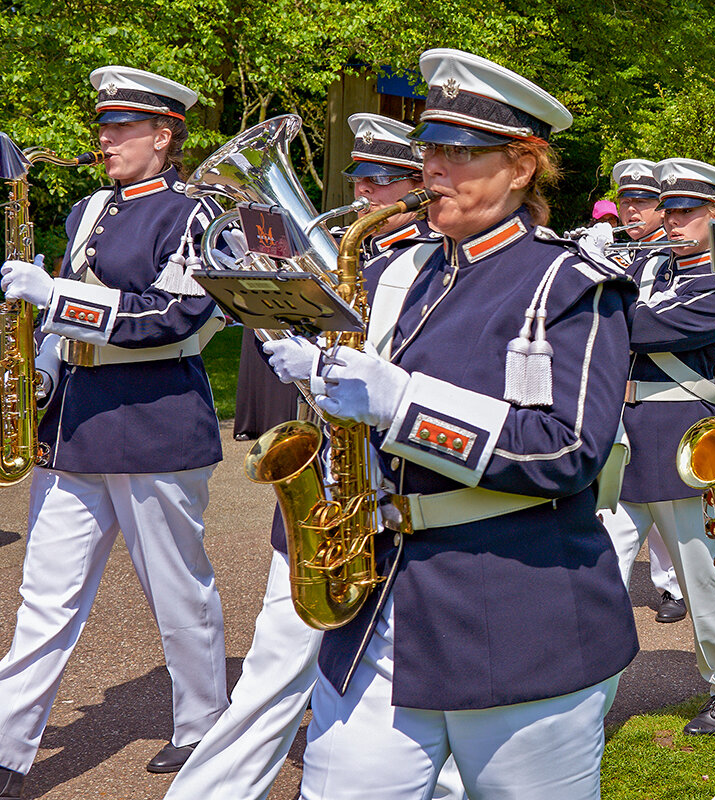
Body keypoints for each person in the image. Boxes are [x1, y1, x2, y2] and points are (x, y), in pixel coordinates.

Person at [265, 48, 639, 799]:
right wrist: (320, 374)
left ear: (521, 166)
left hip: (516, 610)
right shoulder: (397, 272)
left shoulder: (569, 284)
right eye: (429, 149)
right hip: (377, 604)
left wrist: (399, 404)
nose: (434, 169)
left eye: (460, 153)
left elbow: (565, 449)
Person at [162, 112, 441, 800]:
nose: (366, 193)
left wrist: (320, 364)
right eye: (361, 180)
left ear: (416, 185)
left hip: (408, 494)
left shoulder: (440, 266)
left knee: (412, 678)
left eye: (381, 181)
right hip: (332, 491)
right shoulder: (350, 257)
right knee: (274, 667)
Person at [0, 66, 229, 796]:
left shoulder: (196, 212)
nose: (103, 139)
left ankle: (202, 723)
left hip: (155, 418)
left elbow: (174, 316)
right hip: (77, 422)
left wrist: (57, 294)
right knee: (45, 596)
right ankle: (9, 745)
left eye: (119, 128)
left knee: (176, 590)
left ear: (163, 136)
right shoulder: (91, 207)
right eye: (102, 126)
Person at [603, 157, 715, 736]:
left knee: (702, 583)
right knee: (600, 577)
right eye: (670, 209)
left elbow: (648, 331)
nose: (674, 220)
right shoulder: (648, 269)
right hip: (624, 441)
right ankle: (591, 694)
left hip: (686, 443)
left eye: (689, 210)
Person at [609, 157, 686, 623]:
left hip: (667, 399)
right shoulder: (618, 251)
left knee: (667, 510)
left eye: (643, 203)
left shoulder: (678, 258)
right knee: (621, 503)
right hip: (622, 396)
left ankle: (672, 587)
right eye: (626, 202)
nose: (631, 211)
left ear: (662, 210)